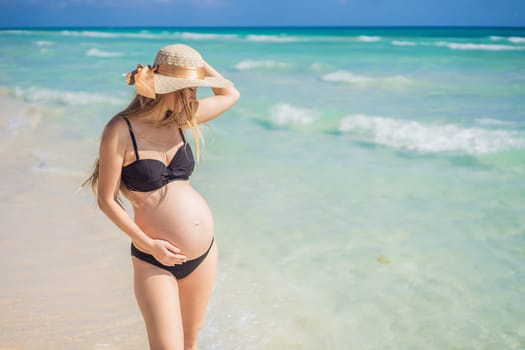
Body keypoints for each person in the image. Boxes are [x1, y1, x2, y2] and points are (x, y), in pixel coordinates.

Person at [84, 43, 240, 350]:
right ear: (170, 88)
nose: (195, 95)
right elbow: (106, 200)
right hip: (153, 259)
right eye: (190, 88)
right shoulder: (120, 129)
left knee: (189, 344)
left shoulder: (182, 120)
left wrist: (195, 64)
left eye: (196, 87)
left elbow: (230, 94)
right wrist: (149, 245)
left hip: (203, 254)